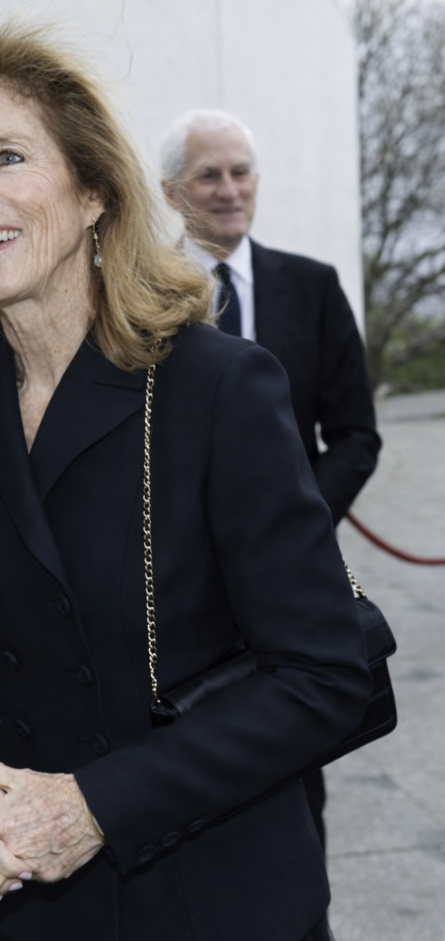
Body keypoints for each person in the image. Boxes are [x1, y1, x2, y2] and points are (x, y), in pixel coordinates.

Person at [0, 22, 371, 941]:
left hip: (209, 906)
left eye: (6, 157)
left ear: (95, 190)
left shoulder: (216, 387)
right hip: (15, 909)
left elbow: (327, 677)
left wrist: (98, 805)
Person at [161, 109, 381, 849]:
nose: (228, 190)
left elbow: (354, 433)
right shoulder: (134, 300)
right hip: (175, 588)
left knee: (295, 768)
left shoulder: (312, 287)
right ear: (170, 193)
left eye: (240, 172)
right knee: (180, 772)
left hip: (291, 584)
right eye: (208, 175)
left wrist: (291, 528)